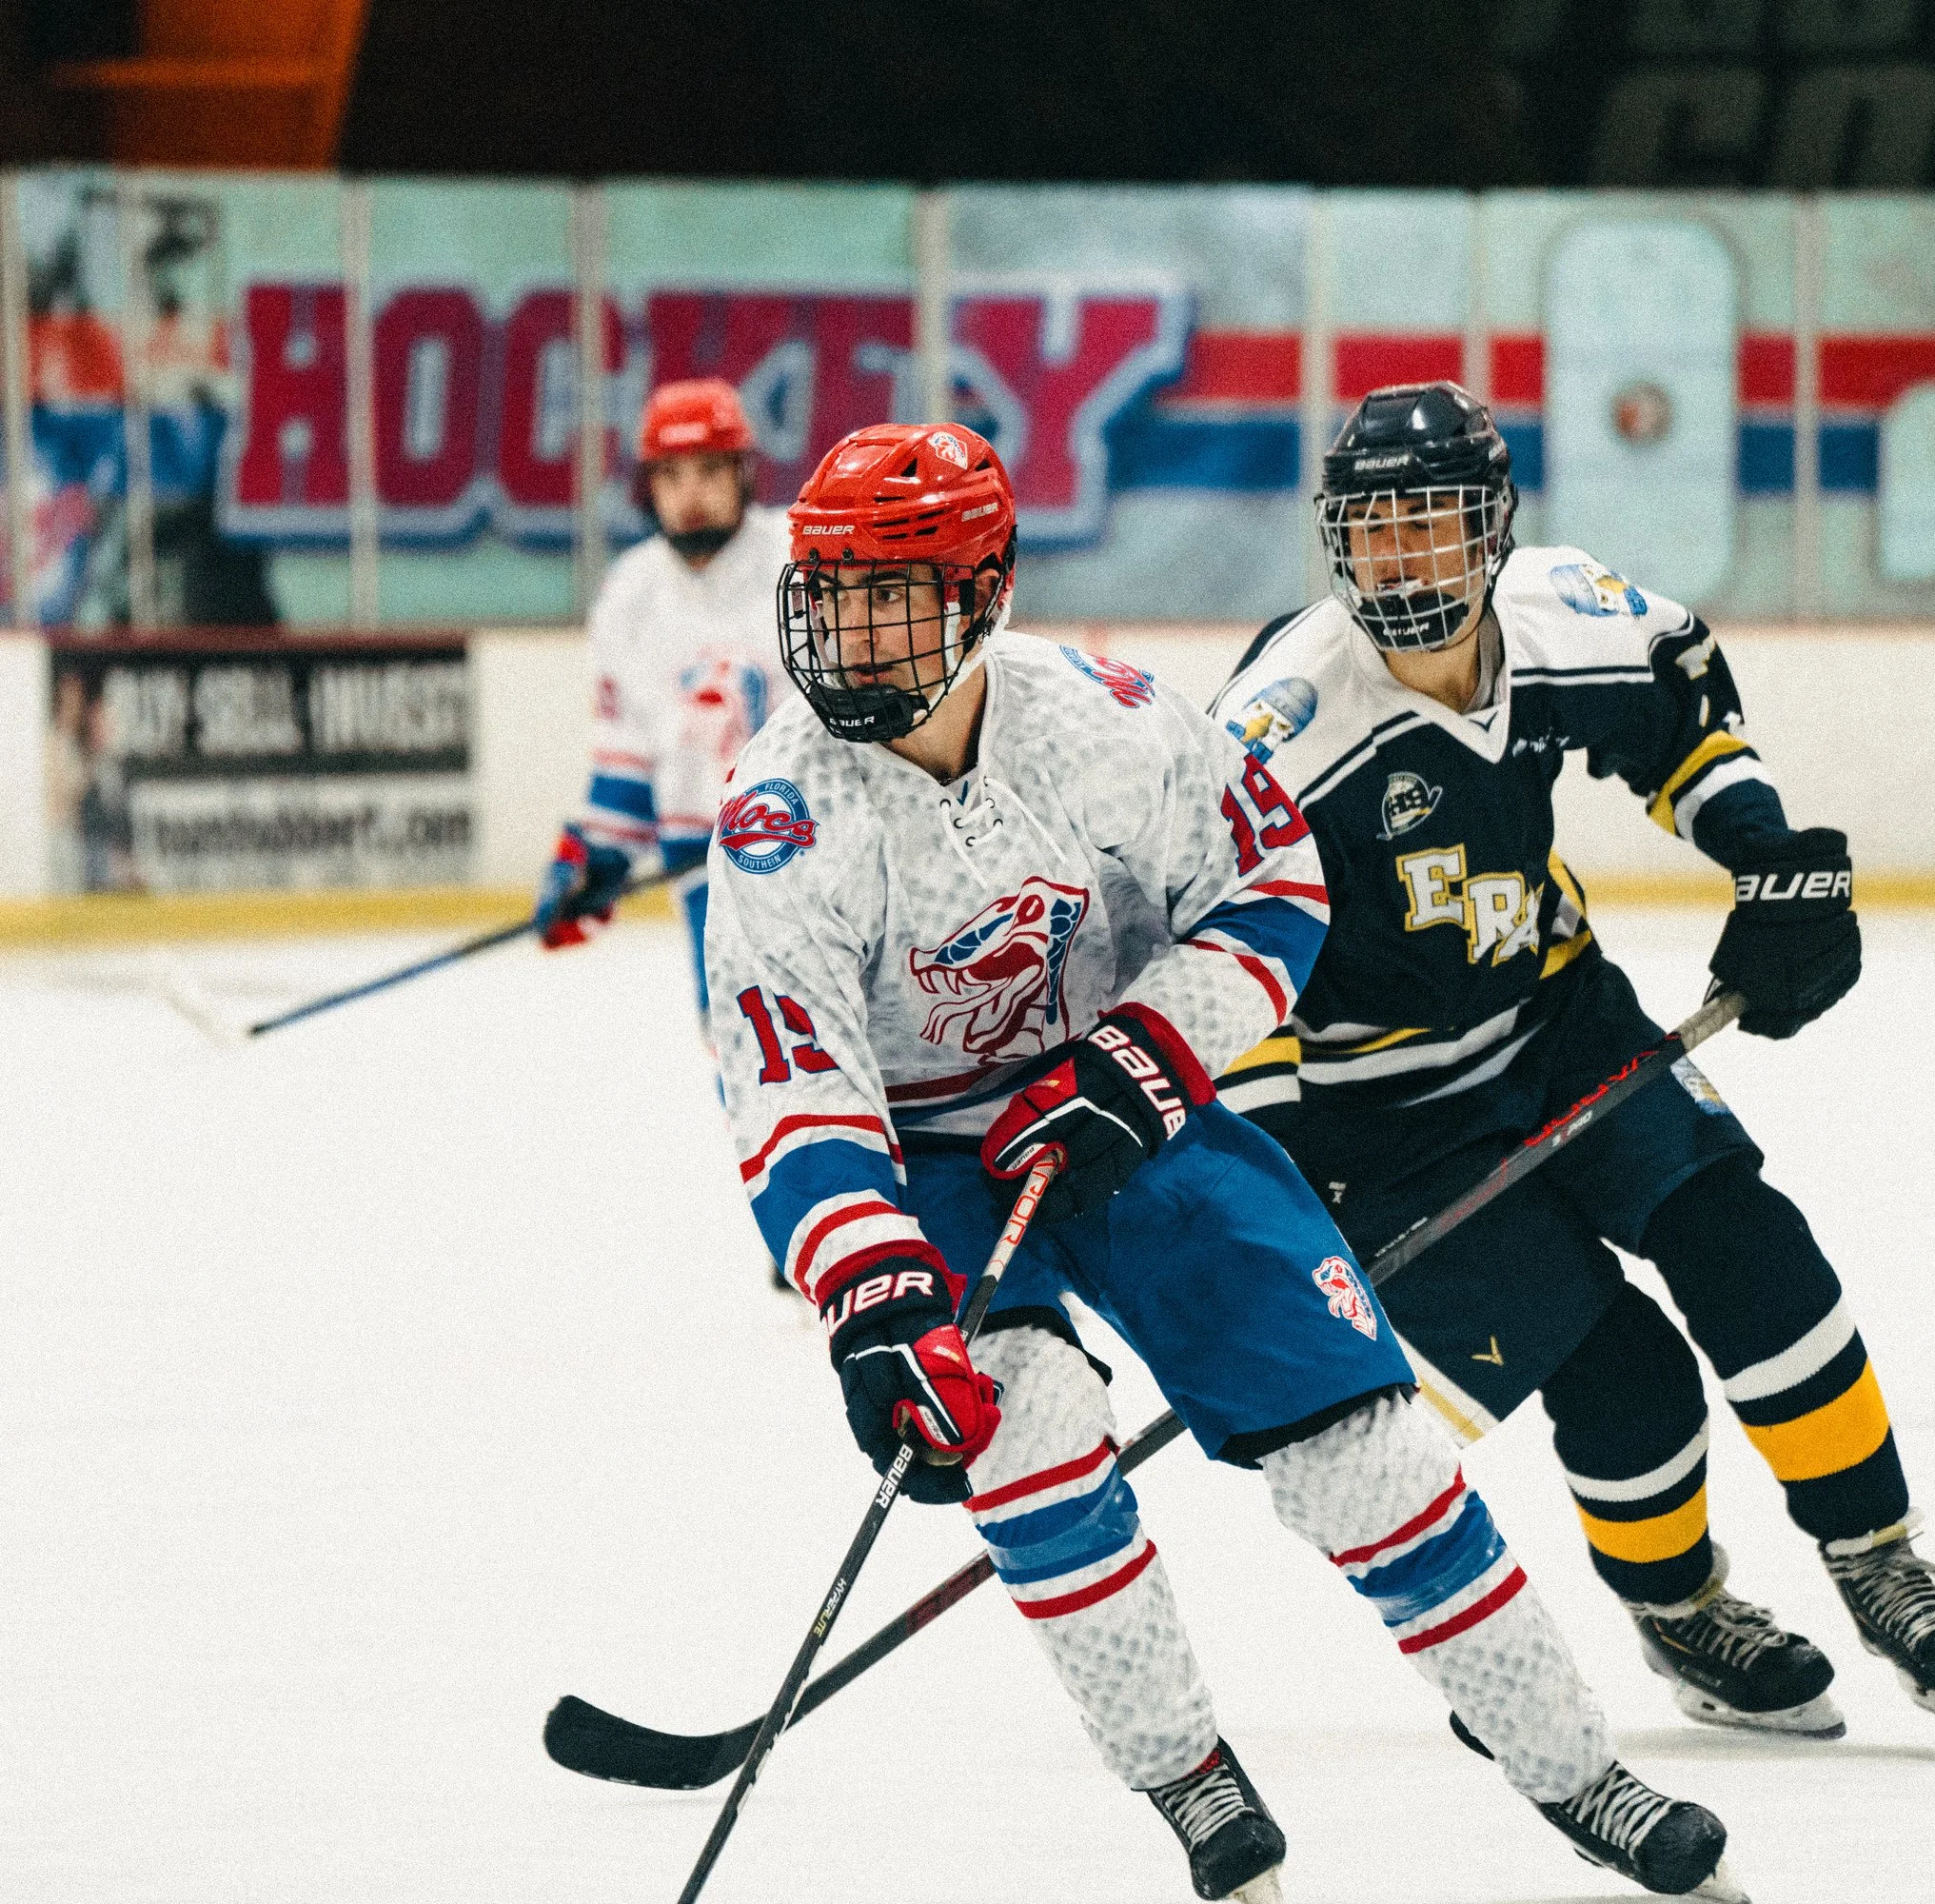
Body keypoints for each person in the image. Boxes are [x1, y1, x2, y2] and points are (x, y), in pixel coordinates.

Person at [702, 419, 1747, 1903]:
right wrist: (872, 1306)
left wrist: (1137, 1064)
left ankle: (1579, 1772)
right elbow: (797, 1094)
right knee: (1027, 1422)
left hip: (1130, 1112)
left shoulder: (1104, 721)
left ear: (986, 589)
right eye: (834, 590)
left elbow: (1273, 883)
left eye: (896, 592)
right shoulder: (781, 818)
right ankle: (1190, 1778)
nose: (853, 631)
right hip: (927, 1159)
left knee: (1370, 1451)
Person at [1210, 381, 1935, 1740]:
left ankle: (1879, 1556)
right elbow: (1227, 951)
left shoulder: (1562, 615)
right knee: (1622, 1369)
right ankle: (1684, 1611)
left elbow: (1680, 709)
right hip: (1379, 1118)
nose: (1404, 561)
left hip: (1559, 1019)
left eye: (1434, 525)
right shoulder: (1281, 733)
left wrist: (1768, 862)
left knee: (1747, 1243)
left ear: (1493, 529)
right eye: (1375, 531)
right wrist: (1274, 1199)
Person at [533, 377, 786, 1022]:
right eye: (671, 476)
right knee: (745, 1061)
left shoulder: (802, 561)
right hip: (702, 874)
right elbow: (630, 757)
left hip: (818, 861)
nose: (690, 494)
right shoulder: (630, 596)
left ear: (744, 473)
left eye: (708, 470)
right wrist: (597, 859)